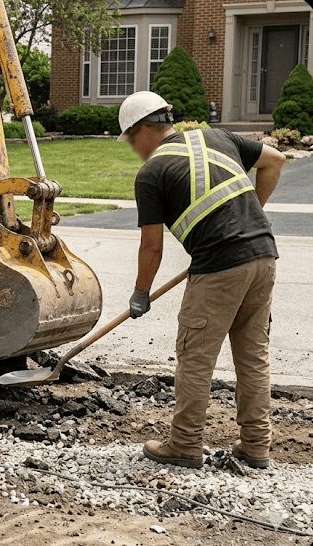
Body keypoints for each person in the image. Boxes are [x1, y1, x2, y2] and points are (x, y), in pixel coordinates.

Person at [118, 90, 286, 470]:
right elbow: (275, 161)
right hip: (262, 255)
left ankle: (184, 443)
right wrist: (249, 216)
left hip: (219, 267)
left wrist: (140, 293)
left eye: (130, 138)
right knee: (253, 356)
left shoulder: (151, 173)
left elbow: (151, 247)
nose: (132, 148)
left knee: (195, 357)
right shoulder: (217, 136)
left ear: (143, 129)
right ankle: (256, 445)